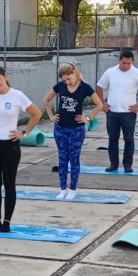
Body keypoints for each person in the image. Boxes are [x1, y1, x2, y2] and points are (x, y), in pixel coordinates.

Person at [0, 66, 43, 233]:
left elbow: (36, 114)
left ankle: (7, 221)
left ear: (5, 76)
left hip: (10, 146)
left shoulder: (17, 95)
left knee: (9, 183)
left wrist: (24, 133)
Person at [44, 62, 103, 199]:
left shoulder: (85, 88)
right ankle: (62, 188)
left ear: (75, 73)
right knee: (62, 158)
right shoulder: (60, 87)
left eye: (69, 79)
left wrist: (88, 118)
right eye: (64, 80)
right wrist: (51, 116)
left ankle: (73, 189)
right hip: (60, 128)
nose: (67, 82)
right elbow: (46, 100)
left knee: (74, 159)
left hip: (76, 129)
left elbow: (99, 104)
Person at [95, 50, 138, 173]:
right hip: (112, 112)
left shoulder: (137, 73)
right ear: (119, 60)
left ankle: (127, 165)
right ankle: (113, 164)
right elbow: (99, 86)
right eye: (123, 63)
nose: (126, 65)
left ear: (132, 62)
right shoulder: (110, 72)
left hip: (129, 113)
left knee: (129, 139)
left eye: (128, 63)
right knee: (113, 139)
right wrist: (102, 104)